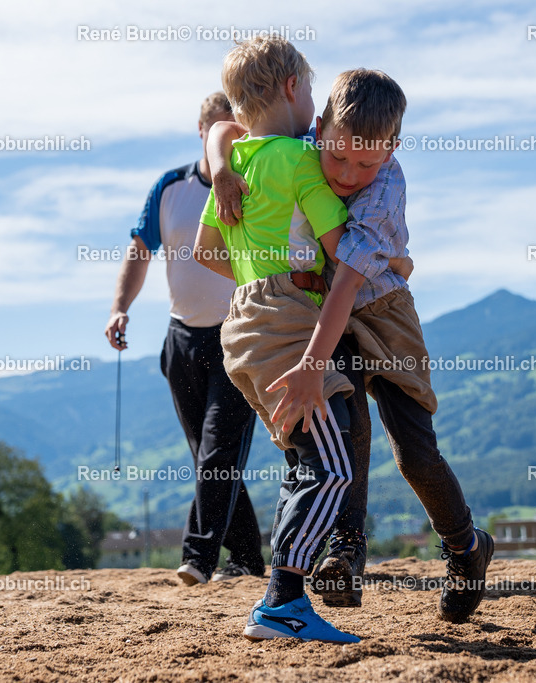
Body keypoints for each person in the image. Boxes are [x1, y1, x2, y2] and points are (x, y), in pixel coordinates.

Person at [210, 69, 493, 624]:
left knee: (414, 450)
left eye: (367, 163)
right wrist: (220, 169)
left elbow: (348, 277)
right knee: (348, 430)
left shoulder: (386, 189)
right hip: (323, 315)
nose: (347, 174)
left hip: (382, 310)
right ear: (320, 129)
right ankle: (345, 552)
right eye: (337, 157)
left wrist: (312, 363)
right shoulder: (303, 149)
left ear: (392, 149)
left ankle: (465, 548)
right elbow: (225, 125)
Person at [193, 35, 362, 644]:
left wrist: (259, 270)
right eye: (312, 91)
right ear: (293, 88)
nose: (314, 105)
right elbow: (347, 246)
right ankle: (282, 601)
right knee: (334, 468)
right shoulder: (298, 160)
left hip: (241, 323)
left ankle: (282, 597)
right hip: (286, 322)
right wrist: (392, 261)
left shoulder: (233, 169)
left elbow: (205, 252)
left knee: (304, 457)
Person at [104, 92, 265, 586]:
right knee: (210, 459)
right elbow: (140, 250)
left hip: (239, 335)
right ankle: (249, 560)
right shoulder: (170, 187)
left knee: (218, 452)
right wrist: (120, 308)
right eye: (218, 129)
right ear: (202, 132)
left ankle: (198, 557)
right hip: (181, 342)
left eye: (235, 129)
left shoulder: (256, 183)